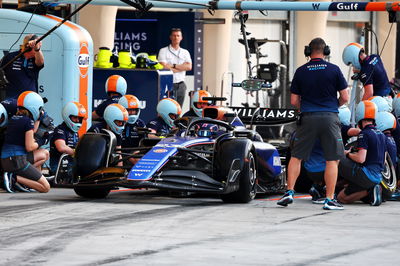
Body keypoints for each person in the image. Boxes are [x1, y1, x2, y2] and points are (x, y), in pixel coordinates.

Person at [277, 37, 349, 210]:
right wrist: (333, 107)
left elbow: (294, 101)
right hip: (330, 117)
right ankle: (329, 199)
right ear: (326, 51)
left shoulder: (301, 71)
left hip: (307, 117)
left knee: (297, 156)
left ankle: (289, 192)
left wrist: (308, 108)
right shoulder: (334, 69)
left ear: (308, 52)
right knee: (332, 159)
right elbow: (345, 97)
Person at [337, 100, 386, 206]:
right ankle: (371, 190)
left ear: (359, 115)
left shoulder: (364, 134)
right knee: (341, 197)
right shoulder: (381, 134)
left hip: (366, 174)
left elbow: (361, 159)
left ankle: (369, 190)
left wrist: (347, 154)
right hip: (377, 176)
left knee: (336, 159)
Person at [1, 91, 50, 193]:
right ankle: (14, 178)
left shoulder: (14, 118)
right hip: (17, 161)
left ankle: (17, 179)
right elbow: (30, 147)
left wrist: (39, 119)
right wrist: (42, 140)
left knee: (44, 153)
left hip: (6, 160)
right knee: (46, 187)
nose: (41, 111)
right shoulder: (28, 121)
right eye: (40, 109)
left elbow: (32, 130)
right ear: (34, 107)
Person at [0, 34, 44, 99]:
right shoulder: (10, 57)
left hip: (30, 100)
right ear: (27, 46)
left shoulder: (36, 58)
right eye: (35, 47)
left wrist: (37, 49)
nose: (37, 50)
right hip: (11, 99)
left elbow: (40, 62)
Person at [157, 28, 192, 106]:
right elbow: (163, 67)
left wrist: (173, 66)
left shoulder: (185, 52)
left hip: (181, 85)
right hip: (168, 85)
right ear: (170, 37)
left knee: (179, 110)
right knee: (167, 108)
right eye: (174, 35)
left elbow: (189, 67)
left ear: (181, 38)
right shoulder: (163, 51)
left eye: (178, 36)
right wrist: (181, 68)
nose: (176, 38)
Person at [49, 101, 87, 173]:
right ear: (67, 116)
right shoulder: (60, 130)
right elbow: (61, 147)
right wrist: (76, 153)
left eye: (79, 118)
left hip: (71, 165)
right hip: (58, 166)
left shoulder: (75, 133)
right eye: (75, 117)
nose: (77, 120)